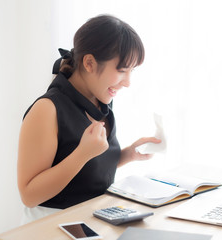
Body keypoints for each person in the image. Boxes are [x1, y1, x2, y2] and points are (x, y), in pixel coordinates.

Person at [17, 14, 161, 223]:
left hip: (93, 219)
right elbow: (29, 195)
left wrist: (127, 155)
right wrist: (81, 154)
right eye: (122, 70)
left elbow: (86, 173)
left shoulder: (101, 101)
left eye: (132, 71)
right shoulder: (46, 110)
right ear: (89, 63)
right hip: (49, 227)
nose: (128, 82)